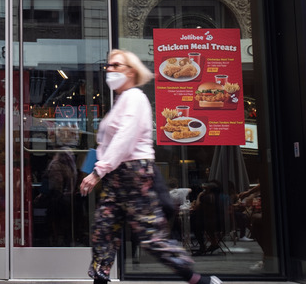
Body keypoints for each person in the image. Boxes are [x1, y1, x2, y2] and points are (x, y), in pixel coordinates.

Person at [79, 49, 221, 284]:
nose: (109, 70)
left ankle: (197, 279)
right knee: (103, 232)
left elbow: (125, 138)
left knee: (150, 236)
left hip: (134, 173)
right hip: (116, 176)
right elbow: (108, 142)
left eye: (115, 65)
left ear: (130, 71)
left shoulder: (134, 97)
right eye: (109, 66)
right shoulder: (121, 100)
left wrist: (98, 171)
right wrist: (99, 167)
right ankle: (100, 279)